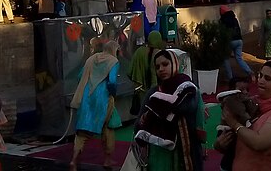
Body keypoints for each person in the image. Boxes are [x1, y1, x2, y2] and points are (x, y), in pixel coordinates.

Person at [134, 49, 206, 171]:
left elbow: (196, 114)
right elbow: (139, 123)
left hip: (187, 147)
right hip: (159, 152)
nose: (161, 69)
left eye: (165, 64)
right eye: (157, 67)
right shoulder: (154, 92)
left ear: (175, 64)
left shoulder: (189, 89)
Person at [69, 41, 122, 171]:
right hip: (103, 98)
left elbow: (80, 76)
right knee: (108, 127)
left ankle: (74, 161)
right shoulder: (113, 61)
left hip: (87, 96)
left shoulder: (91, 58)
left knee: (82, 131)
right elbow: (112, 82)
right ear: (114, 49)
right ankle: (108, 160)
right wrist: (113, 94)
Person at [128, 30, 165, 104]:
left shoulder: (139, 51)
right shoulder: (160, 54)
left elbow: (130, 71)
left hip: (141, 90)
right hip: (157, 91)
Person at [220, 5, 253, 81]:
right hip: (239, 40)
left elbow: (222, 32)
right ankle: (249, 71)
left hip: (230, 41)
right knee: (239, 58)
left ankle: (230, 77)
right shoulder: (234, 19)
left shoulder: (222, 20)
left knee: (226, 59)